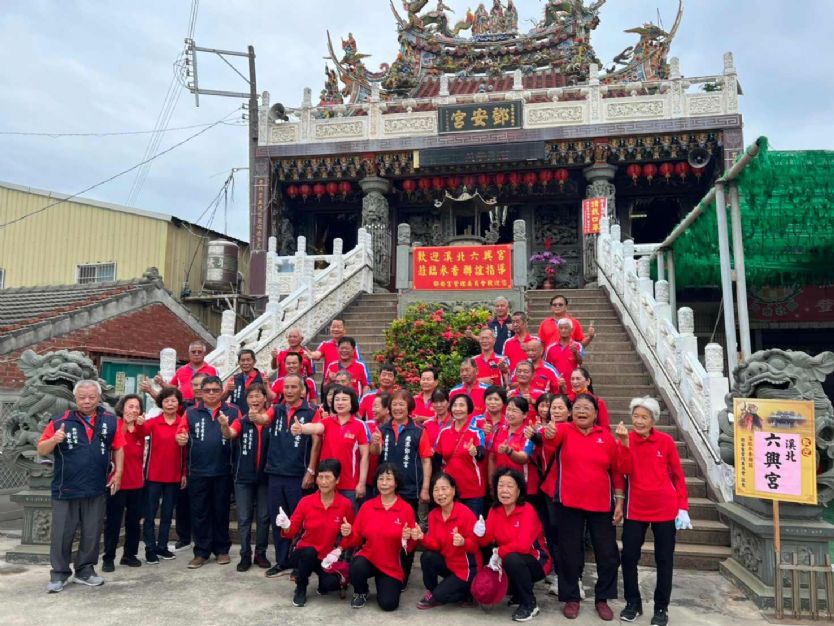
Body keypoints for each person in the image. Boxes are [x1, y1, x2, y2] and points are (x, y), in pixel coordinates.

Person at [543, 393, 628, 621]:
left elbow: (617, 472)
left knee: (608, 554)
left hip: (601, 505)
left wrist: (619, 501)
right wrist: (548, 433)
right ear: (571, 412)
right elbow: (550, 439)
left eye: (587, 408)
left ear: (596, 414)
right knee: (570, 552)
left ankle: (603, 598)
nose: (582, 411)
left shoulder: (607, 438)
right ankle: (571, 598)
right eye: (578, 407)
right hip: (568, 503)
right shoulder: (564, 430)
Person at [37, 380, 125, 593]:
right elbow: (41, 449)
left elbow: (119, 447)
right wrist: (55, 440)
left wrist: (118, 474)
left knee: (92, 532)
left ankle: (85, 570)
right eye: (82, 397)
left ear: (99, 397)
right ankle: (59, 574)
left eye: (91, 397)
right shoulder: (60, 421)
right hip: (66, 488)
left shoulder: (111, 421)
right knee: (62, 534)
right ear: (75, 399)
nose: (87, 401)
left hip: (96, 486)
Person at [618, 397, 690, 626]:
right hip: (635, 508)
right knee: (629, 557)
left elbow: (678, 475)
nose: (638, 421)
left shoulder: (666, 441)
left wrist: (683, 507)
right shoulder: (625, 439)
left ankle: (661, 607)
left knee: (664, 559)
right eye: (636, 416)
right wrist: (625, 445)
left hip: (665, 508)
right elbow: (623, 470)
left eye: (644, 417)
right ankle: (633, 602)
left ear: (653, 420)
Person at [176, 375, 241, 569]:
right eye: (207, 390)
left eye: (215, 390)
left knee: (221, 511)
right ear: (200, 393)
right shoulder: (191, 412)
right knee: (199, 512)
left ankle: (222, 550)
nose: (211, 393)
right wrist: (180, 438)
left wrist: (224, 425)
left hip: (223, 470)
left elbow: (233, 433)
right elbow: (181, 432)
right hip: (198, 471)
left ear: (222, 391)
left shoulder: (233, 411)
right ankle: (201, 552)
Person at [275, 458, 355, 607]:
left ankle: (323, 584)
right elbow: (291, 531)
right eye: (320, 477)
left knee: (330, 585)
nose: (323, 482)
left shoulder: (345, 505)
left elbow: (351, 536)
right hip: (303, 553)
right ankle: (301, 588)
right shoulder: (306, 502)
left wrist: (340, 549)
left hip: (327, 557)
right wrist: (286, 525)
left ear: (337, 480)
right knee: (309, 552)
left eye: (328, 477)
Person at [474, 468, 552, 622]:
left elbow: (523, 546)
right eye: (500, 485)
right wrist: (480, 533)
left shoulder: (527, 510)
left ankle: (530, 604)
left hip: (537, 561)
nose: (504, 490)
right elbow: (486, 541)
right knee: (507, 561)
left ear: (518, 491)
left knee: (512, 559)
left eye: (509, 486)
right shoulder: (495, 510)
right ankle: (517, 593)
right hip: (510, 558)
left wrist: (498, 553)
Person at [263, 373, 321, 577]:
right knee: (279, 518)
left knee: (299, 520)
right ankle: (282, 561)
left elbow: (316, 443)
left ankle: (299, 562)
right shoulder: (276, 409)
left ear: (302, 390)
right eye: (286, 387)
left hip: (298, 474)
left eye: (293, 387)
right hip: (275, 472)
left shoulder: (312, 411)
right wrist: (255, 414)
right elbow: (263, 418)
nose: (289, 391)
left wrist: (311, 471)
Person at [342, 463, 418, 611]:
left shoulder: (406, 509)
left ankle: (383, 582)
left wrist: (411, 538)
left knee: (389, 605)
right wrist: (349, 533)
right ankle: (361, 591)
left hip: (391, 564)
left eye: (389, 479)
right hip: (369, 557)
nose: (384, 483)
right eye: (380, 479)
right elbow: (356, 538)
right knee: (356, 568)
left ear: (396, 483)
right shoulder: (367, 507)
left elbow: (409, 547)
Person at [221, 383, 273, 572]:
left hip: (266, 477)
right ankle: (245, 554)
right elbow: (230, 434)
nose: (255, 400)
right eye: (251, 397)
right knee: (243, 518)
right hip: (243, 477)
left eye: (258, 396)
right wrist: (224, 426)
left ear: (265, 399)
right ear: (246, 400)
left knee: (264, 517)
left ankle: (261, 553)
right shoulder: (241, 421)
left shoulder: (271, 420)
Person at [412, 472, 481, 609]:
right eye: (436, 490)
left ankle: (470, 592)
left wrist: (463, 542)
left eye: (444, 488)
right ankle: (432, 591)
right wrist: (422, 538)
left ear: (453, 490)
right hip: (449, 565)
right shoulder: (433, 515)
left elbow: (476, 545)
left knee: (442, 597)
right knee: (427, 556)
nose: (440, 493)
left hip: (467, 570)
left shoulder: (465, 513)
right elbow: (436, 545)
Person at [292, 385, 369, 505]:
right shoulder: (327, 422)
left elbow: (365, 456)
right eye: (337, 399)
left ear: (352, 402)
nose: (340, 403)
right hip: (325, 482)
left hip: (348, 485)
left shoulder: (360, 425)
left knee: (347, 521)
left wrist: (362, 483)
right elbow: (315, 427)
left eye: (344, 399)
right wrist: (301, 428)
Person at [142, 387, 187, 564]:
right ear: (161, 403)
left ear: (178, 403)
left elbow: (185, 452)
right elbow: (138, 434)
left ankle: (162, 546)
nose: (170, 404)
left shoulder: (183, 424)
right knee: (150, 514)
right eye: (167, 401)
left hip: (174, 476)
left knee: (168, 514)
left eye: (173, 400)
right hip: (153, 475)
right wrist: (137, 422)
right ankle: (150, 548)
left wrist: (184, 473)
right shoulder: (152, 422)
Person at [101, 394, 145, 572]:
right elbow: (118, 444)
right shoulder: (115, 425)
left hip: (137, 482)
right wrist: (126, 425)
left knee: (134, 521)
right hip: (117, 481)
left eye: (137, 407)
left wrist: (137, 426)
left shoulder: (141, 428)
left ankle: (129, 555)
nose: (134, 410)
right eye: (130, 406)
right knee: (113, 521)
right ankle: (108, 557)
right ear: (122, 408)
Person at [436, 394, 487, 517]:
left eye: (462, 405)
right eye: (455, 405)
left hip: (473, 491)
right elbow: (437, 460)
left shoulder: (476, 432)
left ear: (468, 409)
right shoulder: (444, 432)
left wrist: (475, 451)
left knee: (474, 529)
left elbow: (481, 454)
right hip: (449, 491)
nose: (457, 409)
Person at [223, 349, 273, 414]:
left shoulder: (263, 378)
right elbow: (221, 400)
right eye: (242, 360)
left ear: (254, 361)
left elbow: (271, 399)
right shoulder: (234, 379)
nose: (245, 363)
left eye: (248, 360)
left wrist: (266, 385)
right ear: (238, 362)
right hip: (237, 420)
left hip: (257, 418)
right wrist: (228, 390)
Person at [544, 319, 584, 383]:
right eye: (561, 328)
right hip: (556, 385)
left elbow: (580, 362)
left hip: (573, 384)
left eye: (566, 328)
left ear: (571, 330)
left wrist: (575, 352)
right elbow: (547, 367)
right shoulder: (550, 348)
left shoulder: (578, 346)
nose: (563, 330)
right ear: (558, 330)